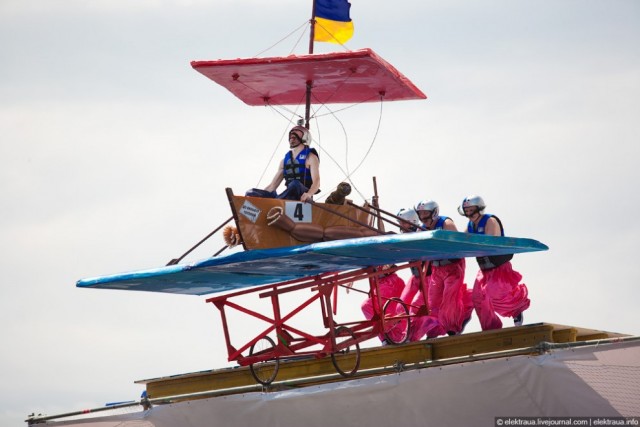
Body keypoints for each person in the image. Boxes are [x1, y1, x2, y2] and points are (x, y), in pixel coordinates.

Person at [459, 195, 530, 330]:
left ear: (479, 208)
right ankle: (490, 327)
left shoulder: (490, 221)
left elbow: (489, 243)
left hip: (499, 268)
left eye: (471, 210)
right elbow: (462, 241)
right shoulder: (470, 225)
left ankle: (516, 309)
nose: (469, 214)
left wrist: (470, 244)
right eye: (466, 211)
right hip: (484, 269)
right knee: (477, 298)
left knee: (493, 294)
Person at [415, 200, 473, 336]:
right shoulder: (420, 229)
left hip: (453, 266)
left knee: (449, 299)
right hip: (436, 269)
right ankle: (435, 331)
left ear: (434, 213)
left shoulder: (447, 224)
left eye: (425, 213)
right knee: (433, 302)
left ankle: (453, 328)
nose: (423, 217)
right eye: (420, 213)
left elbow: (457, 245)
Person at [246, 125, 320, 202]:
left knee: (295, 184)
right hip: (288, 196)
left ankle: (276, 202)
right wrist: (261, 197)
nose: (292, 138)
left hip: (302, 195)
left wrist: (309, 194)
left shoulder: (311, 157)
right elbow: (272, 186)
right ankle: (273, 202)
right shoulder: (284, 161)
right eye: (291, 136)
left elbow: (317, 182)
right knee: (251, 193)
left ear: (305, 137)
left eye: (295, 136)